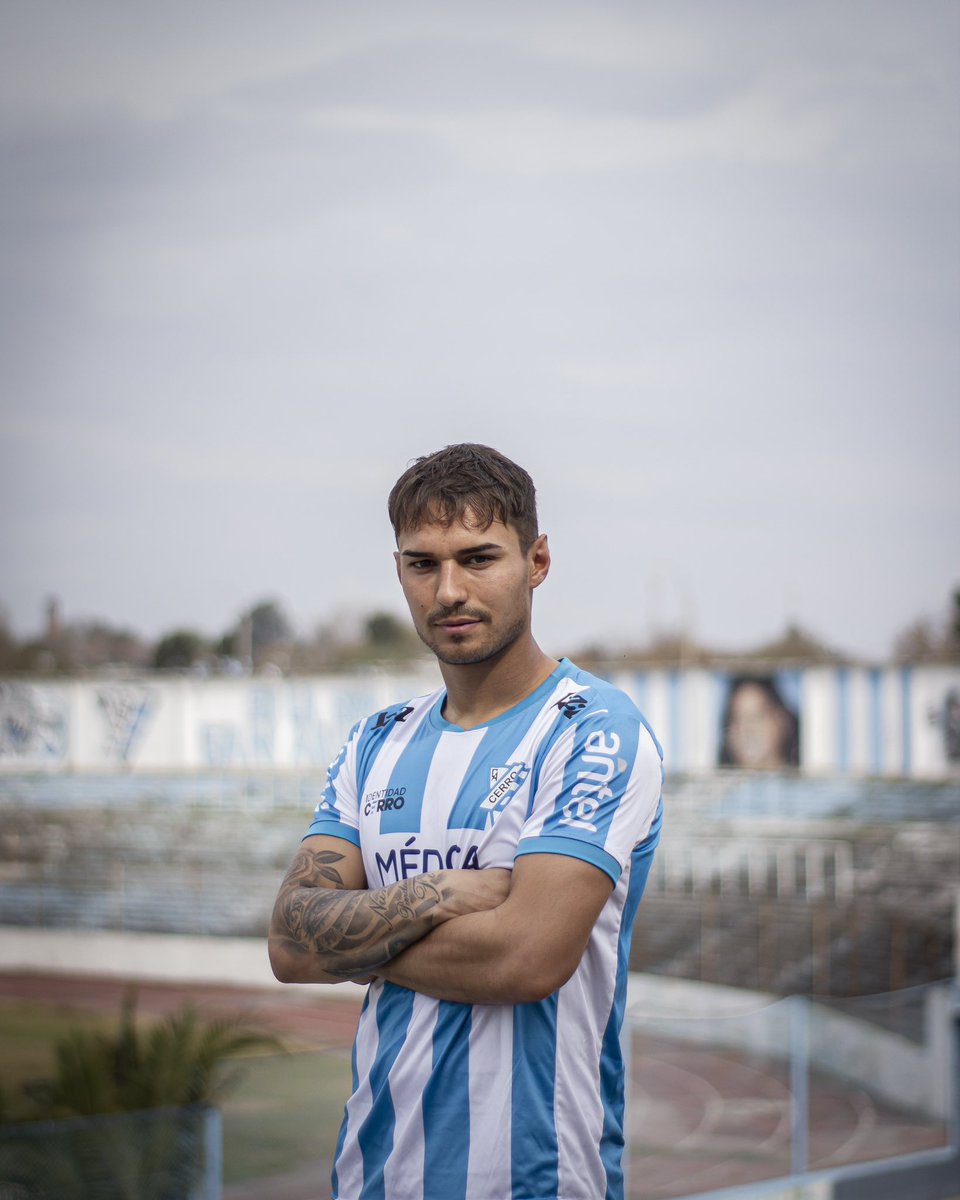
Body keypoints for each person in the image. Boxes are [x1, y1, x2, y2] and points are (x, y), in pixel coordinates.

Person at [269, 443, 664, 1200]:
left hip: (538, 1183)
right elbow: (289, 943)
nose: (449, 589)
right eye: (423, 564)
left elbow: (524, 960)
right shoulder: (375, 741)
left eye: (478, 558)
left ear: (538, 560)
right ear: (399, 572)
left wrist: (349, 939)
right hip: (372, 1181)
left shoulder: (593, 729)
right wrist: (445, 895)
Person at [718, 675, 800, 769]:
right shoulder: (713, 782)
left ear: (782, 719)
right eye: (737, 720)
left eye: (757, 717)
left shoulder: (806, 781)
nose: (747, 730)